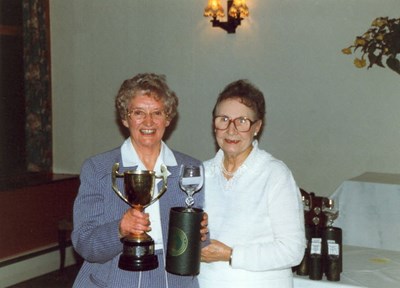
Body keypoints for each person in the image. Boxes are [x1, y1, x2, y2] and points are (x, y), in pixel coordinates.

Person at [72, 73, 207, 288]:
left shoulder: (190, 169)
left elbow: (198, 244)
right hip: (113, 278)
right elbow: (84, 243)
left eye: (157, 113)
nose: (149, 122)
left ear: (168, 118)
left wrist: (199, 233)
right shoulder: (98, 169)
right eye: (138, 113)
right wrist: (119, 229)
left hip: (172, 279)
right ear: (125, 119)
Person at [199, 80, 305, 288]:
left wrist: (231, 255)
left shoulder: (275, 174)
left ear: (257, 127)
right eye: (224, 119)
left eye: (242, 121)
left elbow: (293, 251)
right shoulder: (199, 173)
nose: (231, 130)